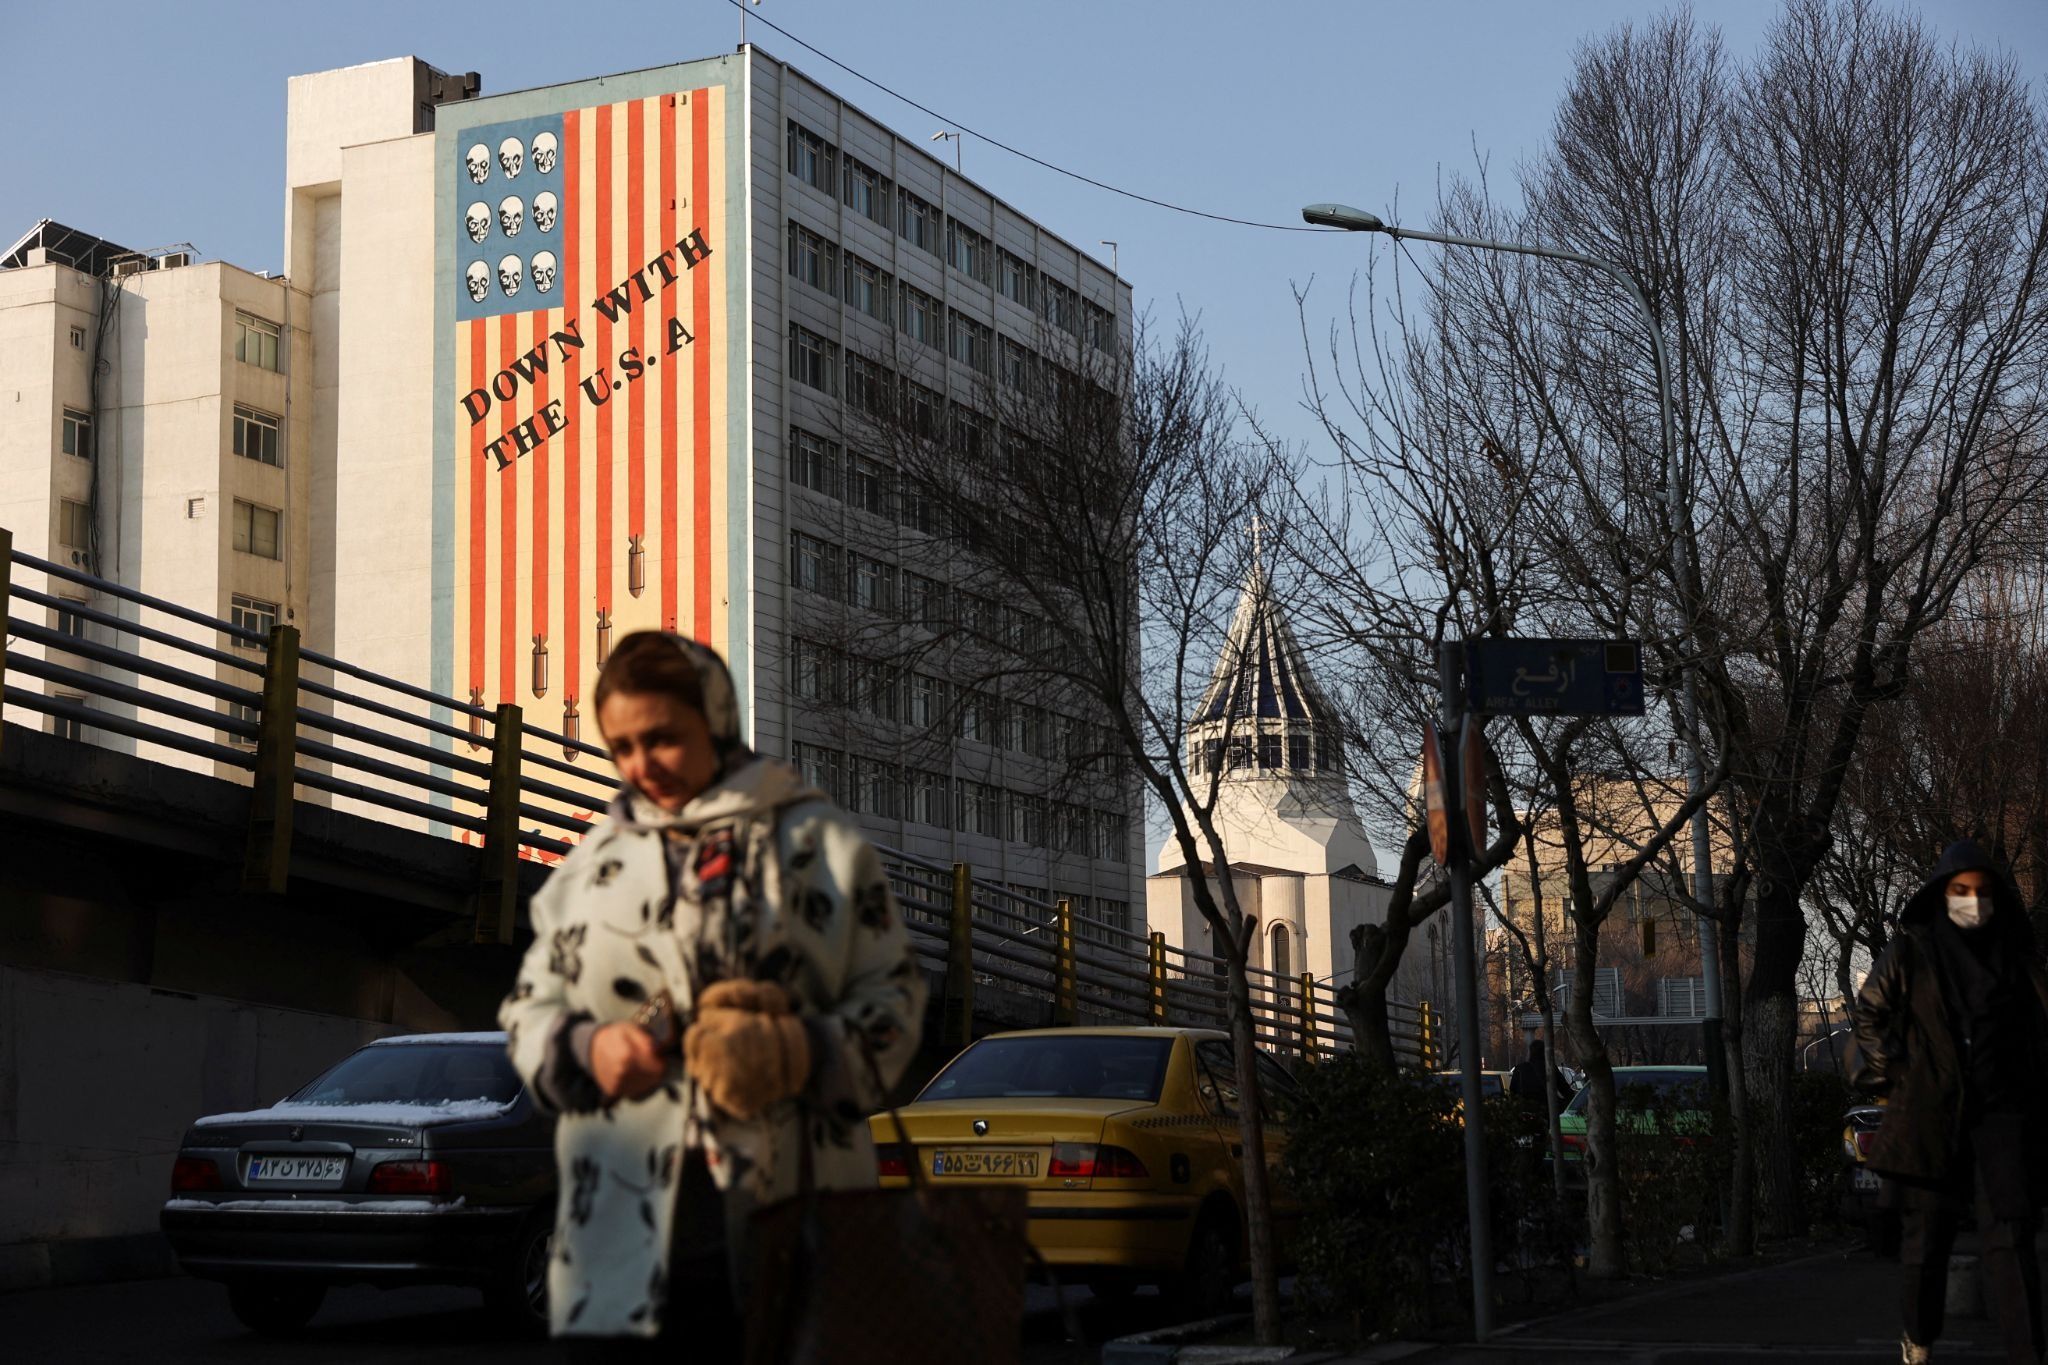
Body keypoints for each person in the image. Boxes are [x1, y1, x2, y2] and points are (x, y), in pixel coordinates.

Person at [499, 633, 927, 1359]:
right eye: (623, 745)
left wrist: (801, 1050)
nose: (641, 764)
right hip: (623, 1222)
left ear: (716, 721)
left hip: (794, 1208)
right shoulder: (595, 865)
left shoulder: (814, 841)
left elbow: (898, 996)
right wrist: (587, 1046)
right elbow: (529, 1008)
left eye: (663, 737)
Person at [1851, 840, 2048, 1365]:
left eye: (1982, 892)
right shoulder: (1914, 951)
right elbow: (1869, 1012)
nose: (1973, 902)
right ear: (1942, 894)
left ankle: (2028, 1352)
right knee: (1926, 1240)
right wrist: (1896, 1071)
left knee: (2011, 1236)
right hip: (1930, 1111)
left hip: (2002, 1112)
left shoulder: (2015, 954)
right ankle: (1918, 1341)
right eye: (1961, 891)